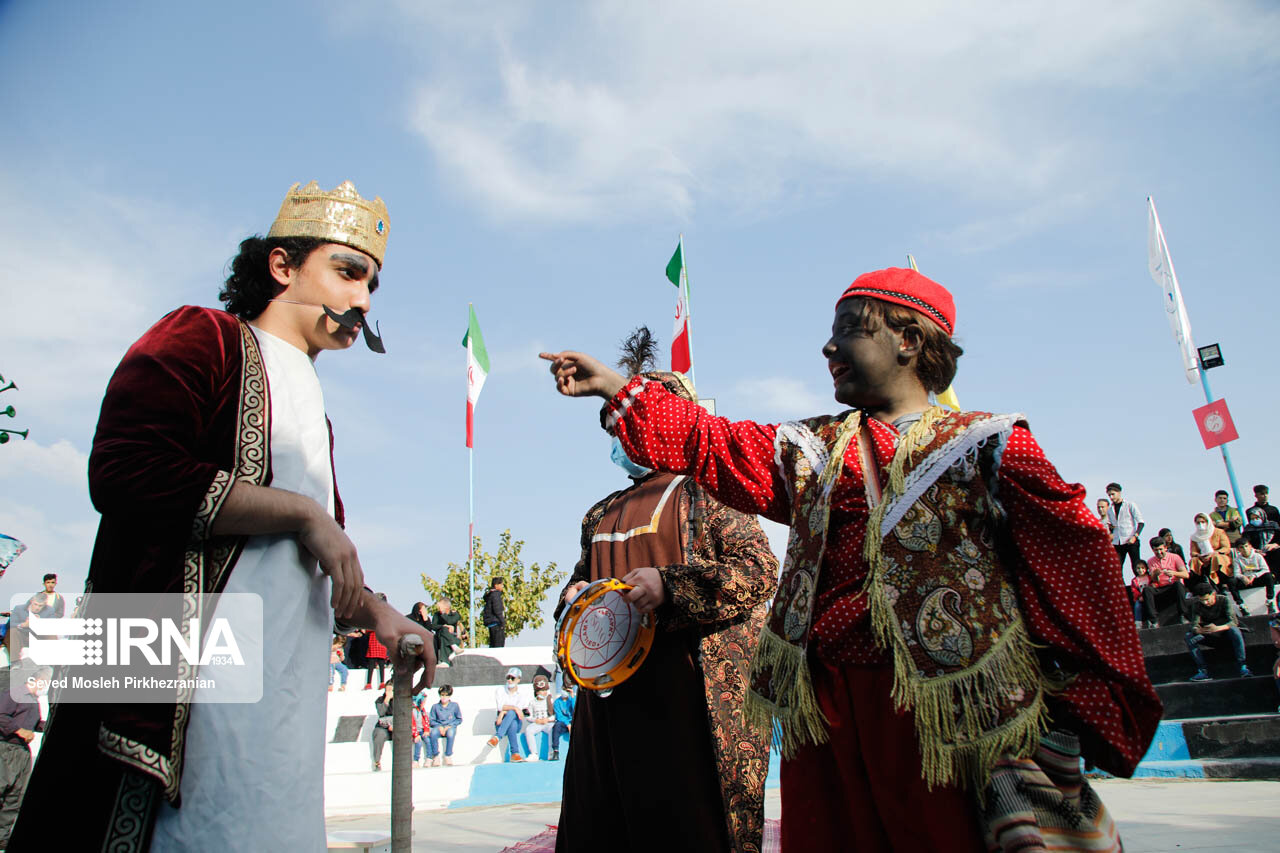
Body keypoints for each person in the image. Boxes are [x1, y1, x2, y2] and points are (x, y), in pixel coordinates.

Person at [541, 268, 1160, 852]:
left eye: (847, 332)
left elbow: (1077, 565)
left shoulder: (988, 446)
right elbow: (715, 441)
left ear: (909, 341)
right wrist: (617, 386)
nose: (827, 349)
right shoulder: (809, 448)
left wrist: (1079, 698)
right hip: (825, 710)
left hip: (937, 711)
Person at [9, 180, 436, 852]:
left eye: (373, 285)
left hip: (281, 696)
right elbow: (123, 469)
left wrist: (376, 610)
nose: (362, 300)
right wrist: (304, 515)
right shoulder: (201, 333)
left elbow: (301, 564)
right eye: (348, 272)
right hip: (178, 675)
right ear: (283, 265)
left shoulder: (315, 414)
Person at [547, 329, 779, 853]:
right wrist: (574, 599)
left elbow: (760, 570)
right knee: (603, 827)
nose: (621, 436)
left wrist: (670, 587)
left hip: (691, 702)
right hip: (607, 708)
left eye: (629, 421)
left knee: (691, 829)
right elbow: (579, 584)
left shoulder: (712, 488)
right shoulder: (599, 512)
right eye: (613, 426)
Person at [0, 665, 50, 848]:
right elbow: (1, 715)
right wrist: (18, 730)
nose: (45, 686)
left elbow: (36, 724)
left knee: (15, 797)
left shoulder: (34, 702)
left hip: (22, 753)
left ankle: (1, 837)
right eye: (44, 681)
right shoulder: (14, 694)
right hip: (6, 749)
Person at [1185, 583, 1252, 681]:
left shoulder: (1224, 600)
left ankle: (1243, 666)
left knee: (1235, 631)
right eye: (1202, 600)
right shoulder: (1197, 605)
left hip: (1226, 633)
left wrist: (1217, 628)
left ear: (1213, 594)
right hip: (1210, 635)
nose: (1205, 603)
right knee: (1189, 637)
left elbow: (1233, 622)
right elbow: (1194, 624)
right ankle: (1203, 670)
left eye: (1207, 600)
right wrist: (1199, 630)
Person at [1145, 537, 1191, 627]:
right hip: (1161, 587)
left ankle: (1184, 615)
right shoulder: (1151, 561)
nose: (1159, 552)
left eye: (1160, 549)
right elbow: (1153, 580)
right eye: (1156, 550)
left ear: (1165, 548)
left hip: (1174, 586)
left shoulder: (1175, 557)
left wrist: (1173, 573)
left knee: (1178, 585)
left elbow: (1186, 574)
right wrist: (1155, 574)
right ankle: (1153, 621)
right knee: (1147, 590)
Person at [488, 667, 529, 760]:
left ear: (518, 679)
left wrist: (504, 712)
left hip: (513, 721)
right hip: (501, 723)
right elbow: (500, 706)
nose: (510, 680)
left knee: (512, 716)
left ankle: (497, 737)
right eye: (508, 678)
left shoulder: (522, 693)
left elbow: (519, 712)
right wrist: (514, 708)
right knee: (512, 723)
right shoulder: (500, 690)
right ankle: (515, 754)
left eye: (512, 678)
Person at [1189, 512, 1234, 596]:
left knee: (1216, 558)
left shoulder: (1219, 532)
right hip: (1203, 557)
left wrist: (1214, 553)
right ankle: (1203, 586)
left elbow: (1226, 547)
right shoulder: (1195, 537)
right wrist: (1199, 555)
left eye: (1203, 522)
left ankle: (1222, 585)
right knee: (1194, 561)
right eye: (1198, 523)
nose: (1200, 524)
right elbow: (1193, 551)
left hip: (1218, 555)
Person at [1230, 538, 1276, 616]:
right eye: (1242, 547)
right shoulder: (1237, 560)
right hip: (1246, 581)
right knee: (1231, 581)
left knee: (1269, 576)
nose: (1245, 549)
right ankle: (1241, 606)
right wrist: (1243, 577)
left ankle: (1270, 601)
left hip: (1257, 579)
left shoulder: (1258, 556)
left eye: (1246, 546)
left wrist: (1254, 576)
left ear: (1250, 546)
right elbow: (1236, 573)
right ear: (1238, 549)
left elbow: (1265, 569)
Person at [1106, 483, 1144, 577]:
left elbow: (1141, 522)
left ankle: (1140, 587)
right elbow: (1110, 525)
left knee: (1136, 566)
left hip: (1130, 540)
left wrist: (1135, 536)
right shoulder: (1110, 509)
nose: (1111, 497)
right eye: (1109, 495)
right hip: (1117, 542)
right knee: (1117, 568)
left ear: (1119, 493)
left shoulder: (1130, 505)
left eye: (1113, 494)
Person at [426, 685, 462, 767]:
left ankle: (448, 755)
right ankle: (436, 756)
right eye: (442, 695)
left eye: (446, 695)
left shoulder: (454, 706)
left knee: (450, 733)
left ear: (450, 696)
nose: (444, 697)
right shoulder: (435, 707)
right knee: (433, 734)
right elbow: (431, 720)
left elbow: (459, 719)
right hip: (439, 727)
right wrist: (439, 726)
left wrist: (450, 725)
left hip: (450, 727)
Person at [524, 675, 555, 761]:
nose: (544, 692)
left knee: (553, 728)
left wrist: (548, 719)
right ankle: (534, 753)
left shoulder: (549, 700)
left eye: (545, 690)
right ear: (537, 691)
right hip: (537, 723)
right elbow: (528, 716)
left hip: (547, 723)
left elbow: (555, 715)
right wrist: (535, 720)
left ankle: (551, 752)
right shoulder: (532, 702)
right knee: (529, 730)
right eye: (542, 691)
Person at [429, 596, 465, 666]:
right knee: (444, 629)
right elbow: (433, 626)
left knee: (444, 638)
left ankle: (445, 662)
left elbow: (450, 621)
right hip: (439, 636)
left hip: (452, 637)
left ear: (446, 607)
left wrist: (443, 614)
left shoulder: (455, 614)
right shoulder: (436, 615)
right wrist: (444, 626)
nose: (439, 609)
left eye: (440, 607)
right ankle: (454, 646)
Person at [370, 682, 395, 771]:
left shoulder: (400, 700)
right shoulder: (380, 700)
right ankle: (377, 762)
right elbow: (381, 712)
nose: (388, 692)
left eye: (390, 690)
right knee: (378, 734)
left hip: (396, 726)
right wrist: (387, 700)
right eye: (387, 690)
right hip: (383, 727)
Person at [551, 683, 575, 761]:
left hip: (573, 720)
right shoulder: (557, 702)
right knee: (556, 726)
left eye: (567, 690)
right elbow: (559, 716)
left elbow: (576, 710)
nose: (565, 692)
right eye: (564, 690)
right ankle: (555, 750)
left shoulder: (572, 699)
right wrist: (567, 724)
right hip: (564, 722)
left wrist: (572, 697)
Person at [482, 578, 506, 647]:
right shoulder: (496, 595)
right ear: (496, 585)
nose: (502, 586)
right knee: (498, 645)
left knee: (493, 645)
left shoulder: (490, 595)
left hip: (491, 623)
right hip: (496, 623)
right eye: (501, 584)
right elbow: (497, 610)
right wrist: (502, 622)